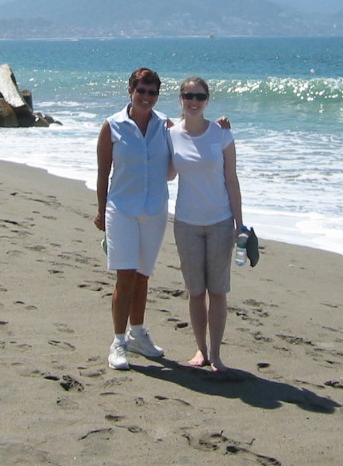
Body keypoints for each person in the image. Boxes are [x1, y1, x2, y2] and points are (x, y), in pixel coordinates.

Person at [95, 68, 170, 370]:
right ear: (130, 91)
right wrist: (101, 210)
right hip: (121, 210)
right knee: (124, 277)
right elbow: (103, 173)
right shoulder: (113, 126)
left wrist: (219, 127)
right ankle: (118, 342)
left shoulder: (165, 125)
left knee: (143, 276)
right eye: (141, 90)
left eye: (152, 92)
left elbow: (193, 138)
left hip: (154, 210)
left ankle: (137, 334)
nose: (146, 97)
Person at [168, 77, 243, 373]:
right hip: (186, 222)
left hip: (220, 221)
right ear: (181, 99)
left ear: (207, 100)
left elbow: (232, 180)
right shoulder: (171, 133)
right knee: (195, 291)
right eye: (188, 95)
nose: (193, 101)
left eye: (199, 96)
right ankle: (200, 350)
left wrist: (240, 223)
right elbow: (168, 174)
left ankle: (217, 354)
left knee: (218, 291)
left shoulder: (222, 134)